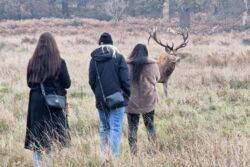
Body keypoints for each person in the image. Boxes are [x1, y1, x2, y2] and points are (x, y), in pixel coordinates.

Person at [24, 32, 71, 166]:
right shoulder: (60, 62)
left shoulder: (31, 62)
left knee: (37, 143)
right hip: (54, 105)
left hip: (36, 105)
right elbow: (67, 83)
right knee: (50, 141)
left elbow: (29, 83)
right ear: (54, 46)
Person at [89, 32, 130, 159]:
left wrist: (98, 94)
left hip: (101, 100)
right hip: (118, 99)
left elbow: (91, 81)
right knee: (115, 129)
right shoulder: (119, 57)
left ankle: (103, 157)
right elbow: (125, 80)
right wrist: (126, 95)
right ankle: (113, 158)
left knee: (104, 128)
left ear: (99, 43)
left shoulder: (94, 59)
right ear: (112, 43)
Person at [126, 44, 160, 155]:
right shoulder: (153, 64)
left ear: (133, 52)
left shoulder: (127, 65)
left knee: (132, 128)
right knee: (150, 126)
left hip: (131, 102)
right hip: (148, 100)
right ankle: (154, 151)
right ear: (146, 53)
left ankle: (133, 153)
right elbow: (157, 78)